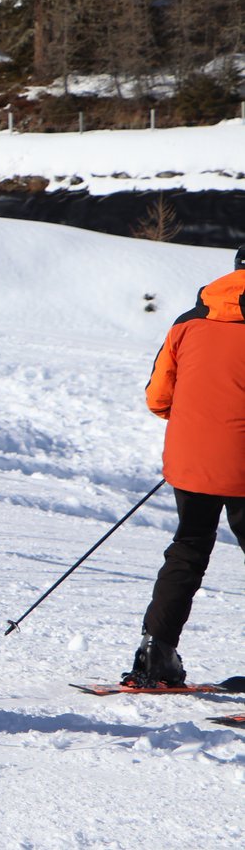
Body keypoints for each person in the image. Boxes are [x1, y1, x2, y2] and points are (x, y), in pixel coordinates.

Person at [123, 243, 245, 688]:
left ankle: (154, 655)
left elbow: (158, 398)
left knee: (188, 548)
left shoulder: (189, 322)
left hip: (192, 459)